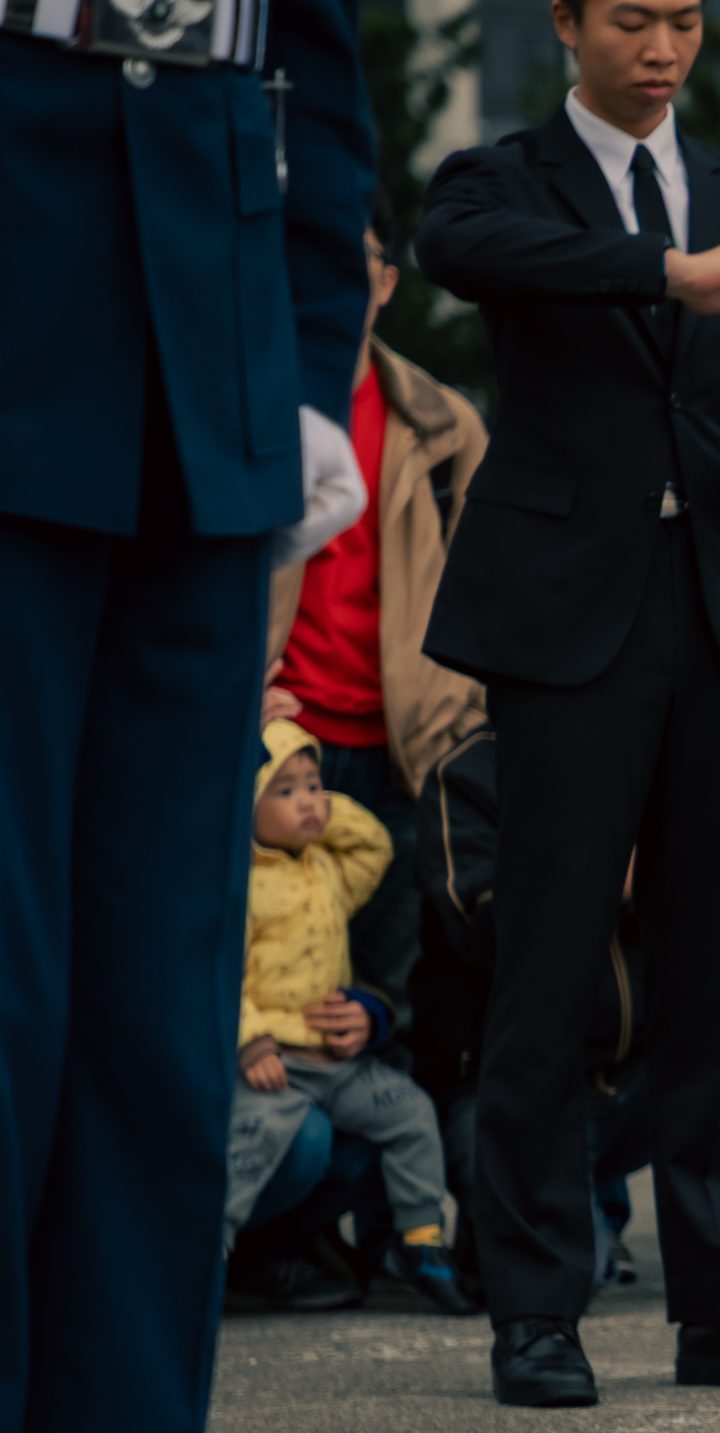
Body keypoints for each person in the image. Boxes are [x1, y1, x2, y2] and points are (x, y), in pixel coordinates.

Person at [414, 0, 720, 1406]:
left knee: (711, 966)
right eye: (631, 16)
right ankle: (539, 1302)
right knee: (551, 964)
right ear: (565, 25)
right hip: (573, 617)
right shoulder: (501, 178)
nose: (662, 43)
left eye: (684, 17)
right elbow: (463, 256)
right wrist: (664, 271)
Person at [1, 0, 375, 1433]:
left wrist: (302, 374)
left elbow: (320, 77)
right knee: (3, 1009)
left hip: (205, 394)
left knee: (159, 1030)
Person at [410, 729, 720, 1305]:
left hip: (648, 1079)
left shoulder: (659, 756)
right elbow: (479, 926)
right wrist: (598, 877)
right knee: (563, 1281)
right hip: (528, 1088)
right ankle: (508, 1218)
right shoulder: (471, 771)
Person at [262, 191, 490, 1044]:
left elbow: (493, 598)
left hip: (406, 757)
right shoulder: (246, 408)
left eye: (350, 260)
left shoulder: (445, 424)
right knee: (261, 1001)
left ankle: (370, 1178)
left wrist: (460, 719)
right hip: (271, 753)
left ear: (387, 282)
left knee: (378, 1005)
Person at [224, 722, 470, 1314]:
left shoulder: (324, 871)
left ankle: (420, 1240)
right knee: (261, 1141)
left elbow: (375, 847)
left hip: (333, 1060)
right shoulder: (240, 885)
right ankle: (214, 1252)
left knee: (409, 1111)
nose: (308, 800)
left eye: (314, 785)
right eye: (285, 791)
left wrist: (322, 810)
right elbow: (223, 972)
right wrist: (250, 1041)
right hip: (273, 1064)